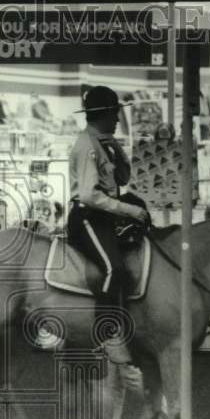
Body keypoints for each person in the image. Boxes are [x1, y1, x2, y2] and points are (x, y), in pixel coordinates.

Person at [67, 85, 150, 366]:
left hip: (104, 216)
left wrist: (116, 148)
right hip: (87, 217)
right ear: (104, 114)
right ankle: (104, 338)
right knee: (113, 268)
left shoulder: (101, 142)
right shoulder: (88, 146)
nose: (117, 119)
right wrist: (130, 210)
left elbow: (123, 179)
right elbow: (90, 195)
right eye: (114, 113)